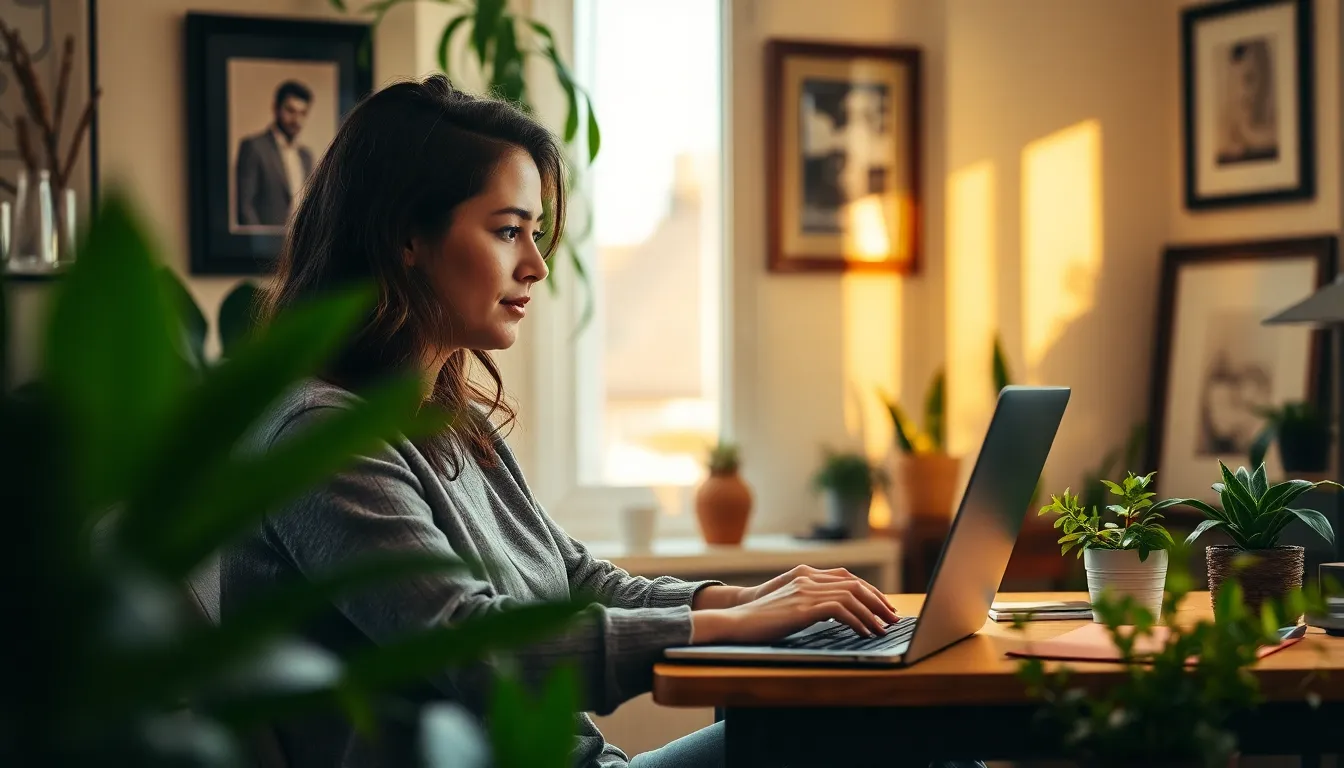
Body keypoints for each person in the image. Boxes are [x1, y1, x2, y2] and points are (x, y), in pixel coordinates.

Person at [223, 74, 979, 768]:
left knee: (912, 730)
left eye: (534, 231)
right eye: (507, 230)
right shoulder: (323, 439)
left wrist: (742, 600)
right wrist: (726, 627)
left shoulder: (454, 425)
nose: (537, 265)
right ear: (406, 239)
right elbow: (471, 648)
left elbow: (576, 579)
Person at [235, 79, 315, 227]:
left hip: (297, 246)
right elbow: (245, 207)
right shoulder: (254, 147)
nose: (296, 120)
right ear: (276, 108)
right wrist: (259, 244)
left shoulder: (306, 156)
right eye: (290, 111)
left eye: (302, 113)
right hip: (264, 246)